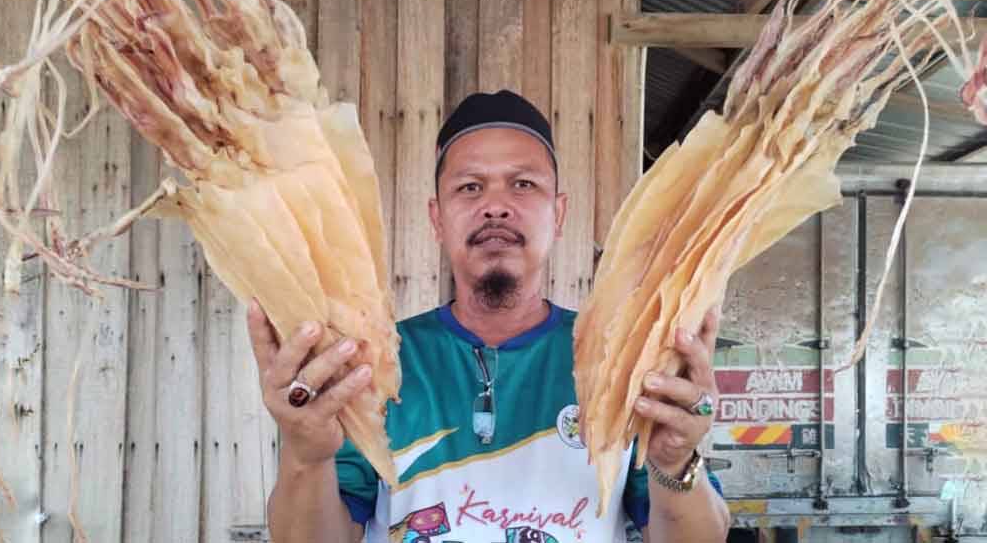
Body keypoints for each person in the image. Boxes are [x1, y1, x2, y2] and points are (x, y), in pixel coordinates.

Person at [248, 90, 731, 542]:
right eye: (470, 187)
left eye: (523, 184)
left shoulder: (626, 360)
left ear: (558, 214)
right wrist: (306, 456)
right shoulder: (366, 364)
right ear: (438, 219)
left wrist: (675, 462)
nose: (495, 207)